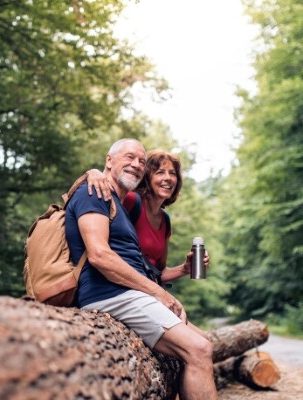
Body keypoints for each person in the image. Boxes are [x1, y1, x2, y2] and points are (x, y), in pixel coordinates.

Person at [65, 139, 217, 400]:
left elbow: (151, 269)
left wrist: (181, 271)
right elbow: (100, 255)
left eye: (141, 161)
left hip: (129, 292)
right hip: (111, 292)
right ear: (109, 160)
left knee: (204, 345)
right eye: (129, 157)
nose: (136, 164)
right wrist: (160, 294)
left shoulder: (119, 202)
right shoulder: (97, 191)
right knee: (199, 349)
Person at [85, 149, 209, 290]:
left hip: (146, 288)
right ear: (147, 177)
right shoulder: (131, 201)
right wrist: (93, 172)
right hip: (115, 286)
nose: (168, 178)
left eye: (172, 173)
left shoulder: (165, 221)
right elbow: (105, 192)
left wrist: (186, 268)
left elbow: (155, 272)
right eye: (160, 172)